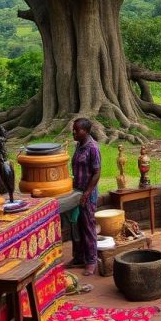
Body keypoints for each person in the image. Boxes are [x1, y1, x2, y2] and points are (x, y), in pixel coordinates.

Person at [67, 118, 101, 276]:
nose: (73, 132)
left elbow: (97, 173)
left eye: (77, 130)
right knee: (76, 226)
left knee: (88, 227)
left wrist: (86, 194)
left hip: (88, 194)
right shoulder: (78, 145)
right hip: (77, 192)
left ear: (86, 131)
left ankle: (92, 261)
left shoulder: (92, 148)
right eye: (73, 129)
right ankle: (79, 257)